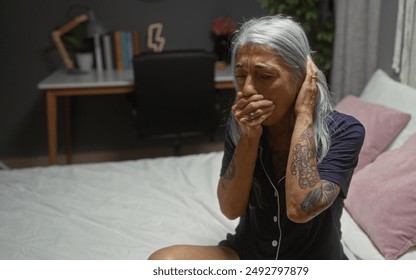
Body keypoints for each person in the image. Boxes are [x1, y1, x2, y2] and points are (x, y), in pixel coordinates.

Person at [148, 14, 364, 260]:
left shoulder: (344, 131)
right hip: (249, 254)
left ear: (302, 78)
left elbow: (300, 208)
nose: (248, 89)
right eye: (241, 75)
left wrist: (304, 114)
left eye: (264, 76)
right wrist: (249, 136)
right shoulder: (240, 122)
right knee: (162, 262)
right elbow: (230, 209)